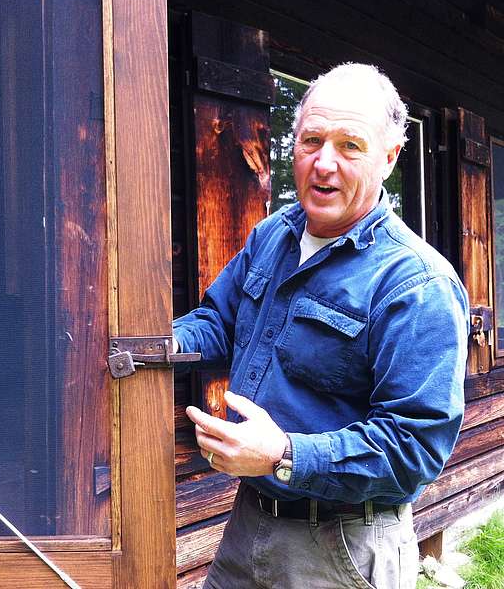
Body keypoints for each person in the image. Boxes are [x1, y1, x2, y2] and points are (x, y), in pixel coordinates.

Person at [173, 63, 469, 589]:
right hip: (248, 525)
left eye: (350, 146)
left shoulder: (417, 283)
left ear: (389, 157)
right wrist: (159, 344)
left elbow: (415, 449)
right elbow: (219, 321)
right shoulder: (272, 237)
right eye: (311, 140)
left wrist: (285, 454)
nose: (323, 163)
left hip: (341, 549)